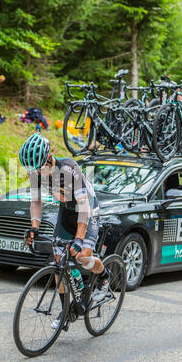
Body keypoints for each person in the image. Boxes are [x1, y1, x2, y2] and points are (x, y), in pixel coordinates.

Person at [19, 133, 111, 329]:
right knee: (58, 261)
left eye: (38, 169)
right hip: (67, 212)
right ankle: (66, 311)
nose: (35, 174)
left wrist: (78, 239)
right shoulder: (35, 172)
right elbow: (36, 201)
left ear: (49, 159)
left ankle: (103, 277)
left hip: (87, 211)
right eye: (32, 170)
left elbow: (84, 206)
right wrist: (34, 228)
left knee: (83, 256)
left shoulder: (69, 170)